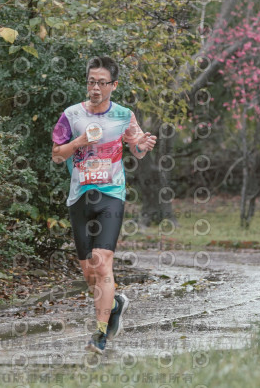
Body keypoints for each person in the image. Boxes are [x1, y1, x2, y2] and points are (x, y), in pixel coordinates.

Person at [51, 56, 157, 354]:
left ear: (113, 85)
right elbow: (57, 155)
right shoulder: (71, 115)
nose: (95, 88)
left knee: (102, 261)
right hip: (79, 197)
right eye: (91, 82)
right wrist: (79, 142)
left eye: (101, 83)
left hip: (111, 194)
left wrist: (143, 145)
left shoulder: (124, 115)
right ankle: (115, 304)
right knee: (89, 273)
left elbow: (137, 148)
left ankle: (99, 334)